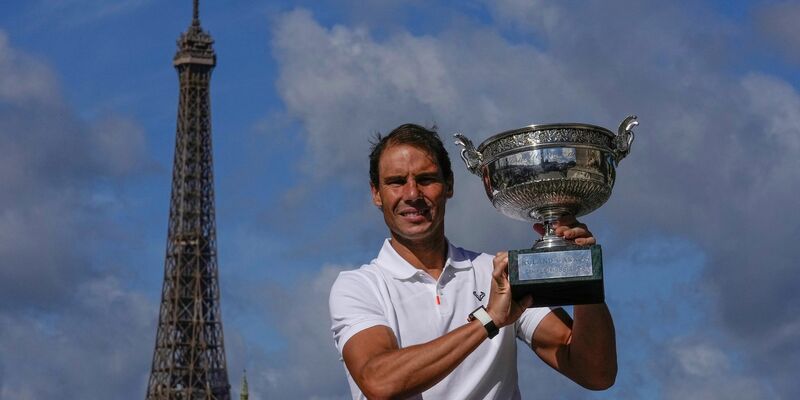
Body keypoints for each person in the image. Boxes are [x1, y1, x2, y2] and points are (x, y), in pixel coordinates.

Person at [329, 123, 617, 399]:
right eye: (396, 182)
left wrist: (583, 274)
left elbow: (596, 374)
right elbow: (379, 382)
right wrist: (488, 319)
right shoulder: (359, 286)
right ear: (376, 194)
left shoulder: (498, 274)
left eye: (426, 179)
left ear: (449, 184)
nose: (413, 194)